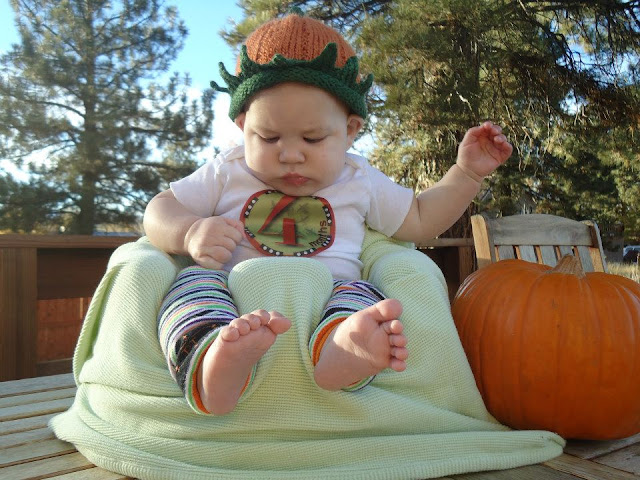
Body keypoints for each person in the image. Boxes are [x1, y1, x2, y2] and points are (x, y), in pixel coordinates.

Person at [143, 8, 512, 416]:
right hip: (231, 297)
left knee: (365, 298)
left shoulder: (359, 179)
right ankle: (213, 362)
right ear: (243, 125)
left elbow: (421, 220)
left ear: (350, 130)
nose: (291, 154)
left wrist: (466, 175)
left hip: (328, 297)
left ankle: (345, 349)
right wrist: (189, 232)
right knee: (192, 285)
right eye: (268, 137)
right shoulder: (226, 170)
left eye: (313, 139)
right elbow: (161, 207)